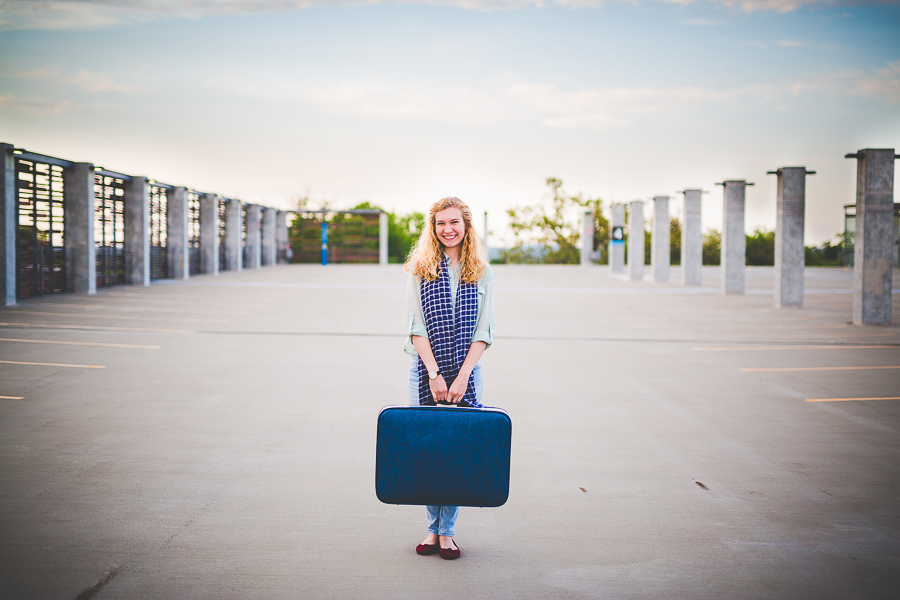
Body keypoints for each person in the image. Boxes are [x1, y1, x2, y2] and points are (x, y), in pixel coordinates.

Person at [404, 196, 494, 561]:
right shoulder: (419, 269)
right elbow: (415, 328)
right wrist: (436, 373)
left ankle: (448, 532)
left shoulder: (482, 271)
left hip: (468, 373)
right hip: (424, 370)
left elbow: (484, 331)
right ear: (433, 228)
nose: (448, 229)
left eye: (454, 222)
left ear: (466, 225)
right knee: (429, 451)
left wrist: (461, 378)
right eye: (441, 223)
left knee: (457, 452)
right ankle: (431, 527)